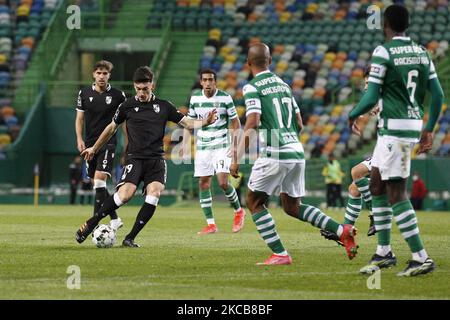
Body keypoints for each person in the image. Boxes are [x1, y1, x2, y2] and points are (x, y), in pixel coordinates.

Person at [230, 42, 358, 265]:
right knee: (292, 206)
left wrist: (236, 157)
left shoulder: (252, 87)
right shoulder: (284, 86)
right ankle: (341, 230)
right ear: (270, 61)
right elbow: (299, 123)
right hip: (296, 150)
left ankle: (280, 253)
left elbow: (253, 120)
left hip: (275, 151)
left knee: (254, 201)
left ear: (247, 64)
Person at [349, 4, 444, 276]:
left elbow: (371, 95)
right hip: (403, 127)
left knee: (395, 192)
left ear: (385, 25)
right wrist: (429, 130)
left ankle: (421, 256)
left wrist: (353, 114)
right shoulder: (422, 53)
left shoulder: (384, 51)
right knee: (376, 185)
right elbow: (437, 96)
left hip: (394, 129)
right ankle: (383, 253)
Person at [75, 66, 217, 247]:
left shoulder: (164, 106)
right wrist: (94, 148)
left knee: (154, 194)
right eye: (138, 89)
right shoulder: (126, 106)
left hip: (156, 160)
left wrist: (205, 121)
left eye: (145, 89)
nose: (141, 93)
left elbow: (187, 122)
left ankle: (130, 238)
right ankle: (92, 222)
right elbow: (111, 128)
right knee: (125, 195)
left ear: (152, 86)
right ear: (134, 87)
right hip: (135, 158)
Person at [181, 69, 245, 235]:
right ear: (201, 82)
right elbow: (189, 123)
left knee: (223, 182)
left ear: (215, 82)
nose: (208, 83)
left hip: (222, 144)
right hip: (202, 146)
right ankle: (211, 224)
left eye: (211, 80)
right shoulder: (195, 98)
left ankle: (238, 211)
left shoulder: (225, 98)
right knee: (203, 182)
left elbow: (236, 124)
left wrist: (235, 150)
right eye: (205, 80)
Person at [320, 68, 377, 245]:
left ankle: (376, 214)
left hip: (392, 147)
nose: (366, 86)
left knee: (357, 172)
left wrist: (354, 116)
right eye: (365, 83)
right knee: (354, 189)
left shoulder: (381, 94)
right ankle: (346, 232)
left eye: (369, 83)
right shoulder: (378, 98)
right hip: (386, 147)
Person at [75, 60, 126, 230]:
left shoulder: (119, 95)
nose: (101, 76)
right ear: (93, 74)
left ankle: (93, 225)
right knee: (98, 184)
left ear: (109, 75)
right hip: (89, 145)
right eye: (98, 73)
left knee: (99, 180)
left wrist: (128, 142)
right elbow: (79, 119)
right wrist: (79, 139)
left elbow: (124, 122)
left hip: (108, 143)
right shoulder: (84, 93)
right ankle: (115, 218)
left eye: (105, 73)